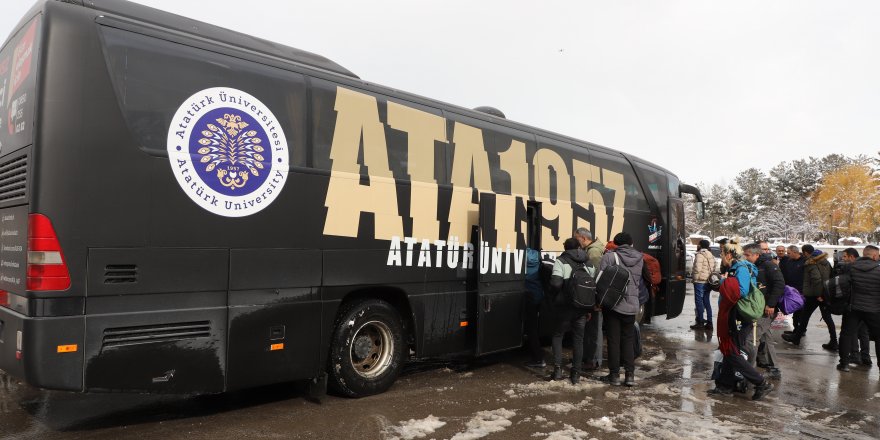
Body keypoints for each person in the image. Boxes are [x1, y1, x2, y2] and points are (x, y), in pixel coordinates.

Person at [710, 241, 774, 400]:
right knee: (728, 351)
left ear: (729, 255)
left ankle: (761, 383)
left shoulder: (741, 269)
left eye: (722, 254)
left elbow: (742, 291)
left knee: (732, 353)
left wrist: (723, 282)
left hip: (739, 316)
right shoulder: (734, 268)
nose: (722, 258)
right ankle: (725, 386)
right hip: (733, 314)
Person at [595, 232, 642, 387]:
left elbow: (600, 280)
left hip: (614, 304)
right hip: (632, 304)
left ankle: (614, 375)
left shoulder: (610, 257)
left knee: (614, 340)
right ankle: (630, 376)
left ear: (615, 243)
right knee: (628, 339)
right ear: (631, 243)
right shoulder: (639, 258)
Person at [548, 238, 593, 384]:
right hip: (582, 308)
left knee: (558, 335)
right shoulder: (588, 262)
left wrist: (554, 297)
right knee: (578, 340)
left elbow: (555, 283)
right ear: (579, 247)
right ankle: (576, 374)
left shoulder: (561, 261)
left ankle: (557, 371)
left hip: (564, 307)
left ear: (565, 248)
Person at [837, 245, 880, 372]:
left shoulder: (850, 267)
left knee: (846, 334)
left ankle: (844, 364)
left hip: (853, 308)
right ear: (873, 256)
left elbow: (842, 285)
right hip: (874, 309)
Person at [744, 242, 784, 377]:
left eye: (747, 255)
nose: (745, 257)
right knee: (766, 338)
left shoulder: (768, 266)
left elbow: (779, 284)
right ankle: (774, 368)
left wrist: (771, 304)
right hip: (760, 308)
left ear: (756, 254)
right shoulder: (754, 266)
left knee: (751, 339)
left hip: (766, 309)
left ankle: (749, 371)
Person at [782, 245, 835, 349]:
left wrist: (819, 294)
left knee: (805, 316)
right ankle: (834, 341)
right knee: (827, 318)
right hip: (824, 294)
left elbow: (816, 279)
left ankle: (796, 338)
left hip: (814, 295)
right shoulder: (826, 262)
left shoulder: (811, 263)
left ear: (806, 253)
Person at [576, 228, 604, 371]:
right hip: (595, 296)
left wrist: (594, 299)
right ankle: (589, 357)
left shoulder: (593, 252)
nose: (577, 241)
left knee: (594, 330)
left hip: (595, 297)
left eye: (577, 238)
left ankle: (594, 360)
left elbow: (595, 277)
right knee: (591, 328)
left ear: (583, 238)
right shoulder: (594, 248)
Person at [524, 248, 546, 368]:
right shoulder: (536, 256)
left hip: (529, 297)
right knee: (534, 327)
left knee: (531, 328)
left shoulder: (522, 256)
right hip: (538, 295)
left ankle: (538, 359)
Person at [690, 239, 717, 330]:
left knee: (699, 302)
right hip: (708, 282)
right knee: (707, 302)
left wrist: (695, 279)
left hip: (700, 281)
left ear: (700, 246)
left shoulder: (700, 255)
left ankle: (700, 322)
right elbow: (714, 266)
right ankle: (710, 323)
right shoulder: (711, 254)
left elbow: (697, 268)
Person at [779, 245, 806, 332]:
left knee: (800, 312)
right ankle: (796, 329)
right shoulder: (789, 261)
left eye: (789, 253)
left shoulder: (804, 261)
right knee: (794, 311)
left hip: (801, 290)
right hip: (791, 290)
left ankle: (800, 330)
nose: (787, 255)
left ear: (795, 252)